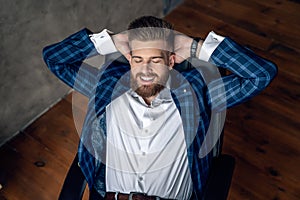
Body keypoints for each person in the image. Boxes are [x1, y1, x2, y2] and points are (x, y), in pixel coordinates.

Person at [43, 16, 277, 199]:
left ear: (171, 61)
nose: (145, 71)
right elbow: (54, 59)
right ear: (129, 58)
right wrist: (111, 41)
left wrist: (194, 47)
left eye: (155, 60)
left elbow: (261, 74)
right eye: (138, 60)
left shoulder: (197, 92)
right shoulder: (106, 84)